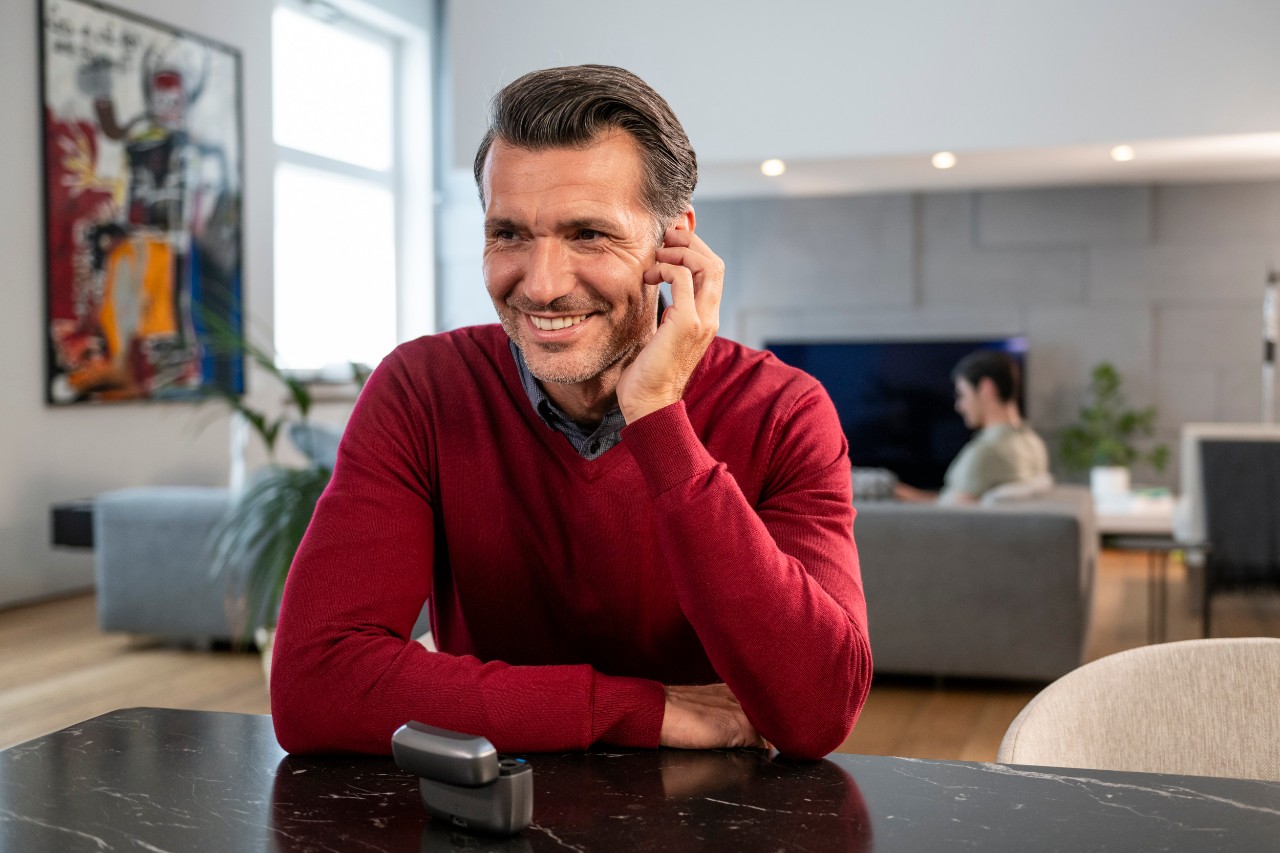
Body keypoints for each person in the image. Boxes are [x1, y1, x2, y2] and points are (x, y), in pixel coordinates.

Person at [269, 65, 872, 760]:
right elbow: (315, 686)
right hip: (484, 808)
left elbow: (817, 712)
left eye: (588, 234)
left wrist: (658, 417)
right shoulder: (422, 389)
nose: (544, 285)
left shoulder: (783, 410)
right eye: (509, 234)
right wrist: (633, 708)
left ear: (673, 244)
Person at [894, 350, 1049, 504]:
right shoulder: (1033, 442)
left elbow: (949, 514)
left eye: (962, 395)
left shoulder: (987, 452)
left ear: (986, 388)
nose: (959, 406)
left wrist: (896, 495)